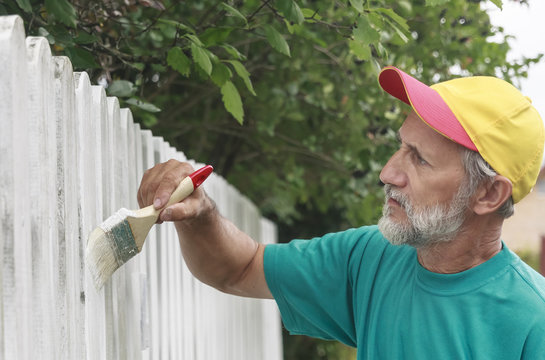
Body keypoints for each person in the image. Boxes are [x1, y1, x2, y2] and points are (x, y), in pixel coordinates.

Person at [137, 66, 545, 359]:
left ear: (490, 194)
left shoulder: (533, 322)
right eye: (401, 146)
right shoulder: (371, 256)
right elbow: (239, 269)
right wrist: (201, 214)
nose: (389, 172)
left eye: (419, 159)